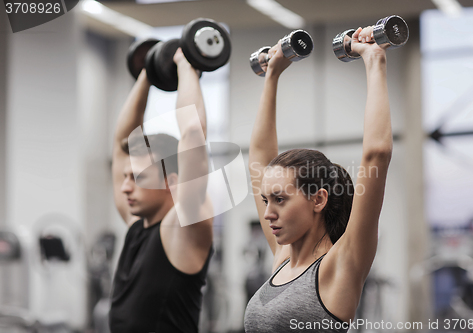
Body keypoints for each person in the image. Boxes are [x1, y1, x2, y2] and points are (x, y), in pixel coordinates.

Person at [244, 26, 393, 332]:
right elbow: (259, 157)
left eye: (280, 199)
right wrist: (272, 74)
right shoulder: (283, 258)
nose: (268, 213)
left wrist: (374, 58)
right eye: (266, 200)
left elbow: (376, 153)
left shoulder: (340, 265)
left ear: (318, 199)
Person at [109, 48, 213, 333]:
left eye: (139, 177)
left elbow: (192, 133)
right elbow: (121, 141)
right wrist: (149, 71)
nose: (125, 186)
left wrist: (185, 64)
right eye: (127, 176)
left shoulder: (183, 226)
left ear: (172, 181)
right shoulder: (136, 225)